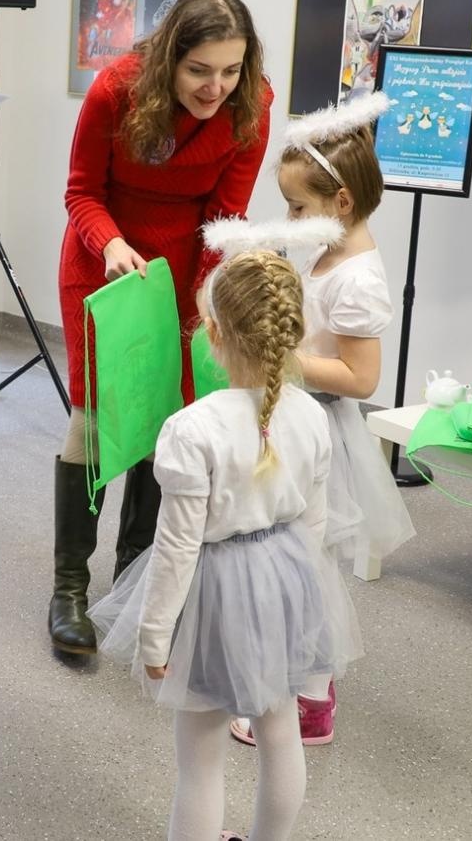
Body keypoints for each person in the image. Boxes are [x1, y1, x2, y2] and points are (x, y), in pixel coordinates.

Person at [87, 248, 361, 841]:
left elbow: (176, 549)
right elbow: (313, 527)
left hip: (218, 592)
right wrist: (301, 606)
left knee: (201, 755)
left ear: (211, 330)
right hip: (288, 577)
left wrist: (155, 638)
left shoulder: (193, 430)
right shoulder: (312, 416)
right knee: (282, 728)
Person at [51, 0, 273, 655]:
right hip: (107, 261)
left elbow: (225, 217)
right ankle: (68, 588)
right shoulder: (114, 91)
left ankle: (135, 573)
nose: (216, 86)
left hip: (186, 268)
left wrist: (202, 301)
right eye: (200, 70)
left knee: (165, 420)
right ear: (169, 59)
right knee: (97, 417)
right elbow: (81, 191)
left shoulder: (250, 106)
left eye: (231, 70)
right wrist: (113, 245)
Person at [232, 93, 414, 749]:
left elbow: (362, 379)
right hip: (297, 422)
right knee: (292, 561)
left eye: (299, 208)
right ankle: (303, 689)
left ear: (341, 203)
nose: (289, 218)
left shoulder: (358, 278)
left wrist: (286, 358)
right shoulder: (331, 250)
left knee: (306, 568)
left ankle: (307, 705)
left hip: (325, 434)